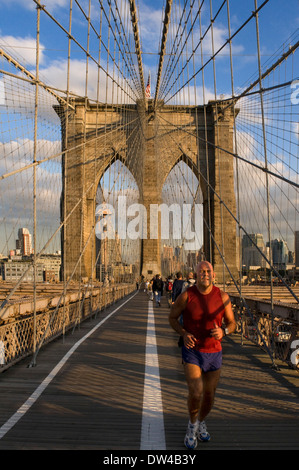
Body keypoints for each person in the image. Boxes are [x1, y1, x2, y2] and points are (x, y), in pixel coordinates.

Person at [169, 261, 236, 449]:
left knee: (209, 395)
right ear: (196, 275)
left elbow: (232, 323)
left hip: (214, 352)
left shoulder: (223, 297)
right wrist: (184, 333)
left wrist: (224, 332)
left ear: (214, 275)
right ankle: (192, 425)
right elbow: (172, 318)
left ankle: (201, 420)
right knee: (196, 391)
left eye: (208, 271)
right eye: (201, 272)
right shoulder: (187, 296)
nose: (205, 274)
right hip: (192, 352)